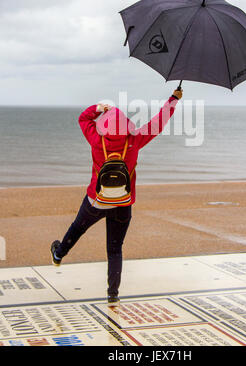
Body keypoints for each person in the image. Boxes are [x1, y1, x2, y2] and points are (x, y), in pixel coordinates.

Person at [50, 88, 183, 306]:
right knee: (114, 249)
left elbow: (83, 118)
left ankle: (59, 254)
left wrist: (99, 108)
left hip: (96, 200)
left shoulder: (96, 140)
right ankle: (113, 294)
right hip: (123, 204)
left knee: (78, 227)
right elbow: (158, 123)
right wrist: (173, 100)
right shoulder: (135, 140)